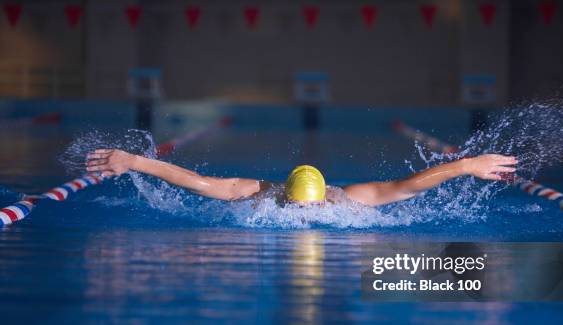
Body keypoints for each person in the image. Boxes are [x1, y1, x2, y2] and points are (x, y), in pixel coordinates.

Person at [86, 149, 517, 207]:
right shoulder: (258, 194)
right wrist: (134, 161)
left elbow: (408, 184)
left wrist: (465, 166)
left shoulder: (349, 198)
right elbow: (194, 180)